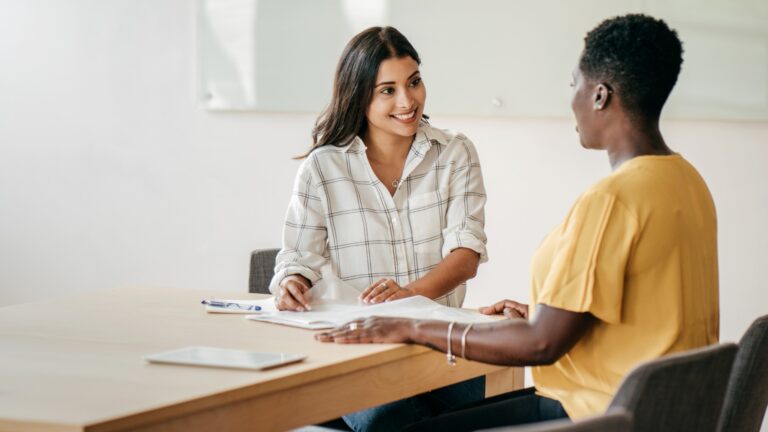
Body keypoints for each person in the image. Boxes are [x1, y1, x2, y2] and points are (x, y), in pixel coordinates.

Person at [317, 14, 719, 431]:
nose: (572, 100)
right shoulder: (686, 182)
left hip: (596, 414)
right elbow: (646, 314)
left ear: (599, 95)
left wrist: (414, 325)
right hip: (661, 412)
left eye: (573, 85)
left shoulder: (612, 201)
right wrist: (543, 314)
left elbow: (542, 344)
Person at [270, 27, 489, 430]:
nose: (408, 101)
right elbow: (298, 257)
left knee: (470, 414)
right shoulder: (322, 168)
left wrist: (408, 298)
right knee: (390, 421)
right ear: (359, 96)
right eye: (387, 90)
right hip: (359, 353)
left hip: (442, 349)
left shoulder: (455, 152)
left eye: (414, 82)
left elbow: (466, 255)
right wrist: (292, 281)